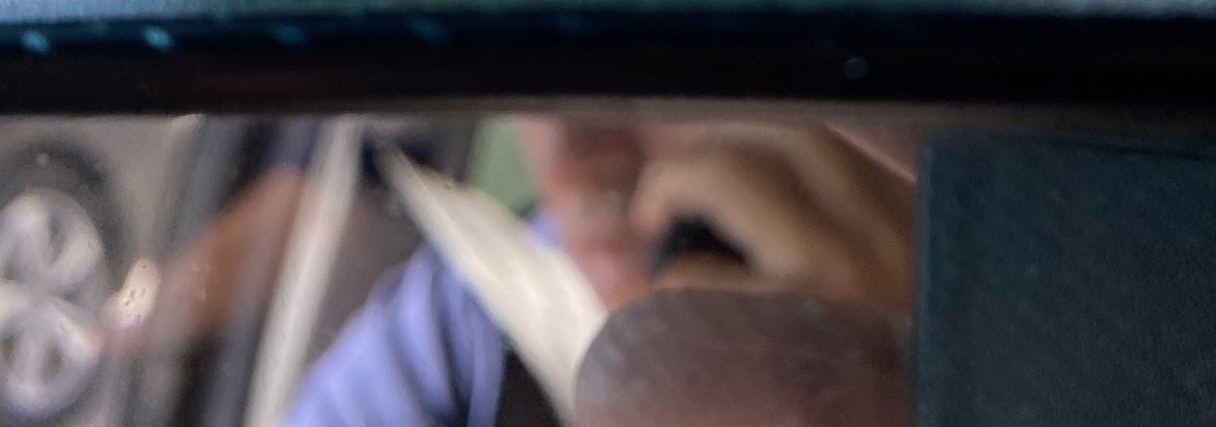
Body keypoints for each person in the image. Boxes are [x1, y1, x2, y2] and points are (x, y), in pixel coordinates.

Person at [281, 119, 916, 427]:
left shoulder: (935, 253)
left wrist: (919, 367)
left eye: (647, 55)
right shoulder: (465, 322)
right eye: (527, 81)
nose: (573, 157)